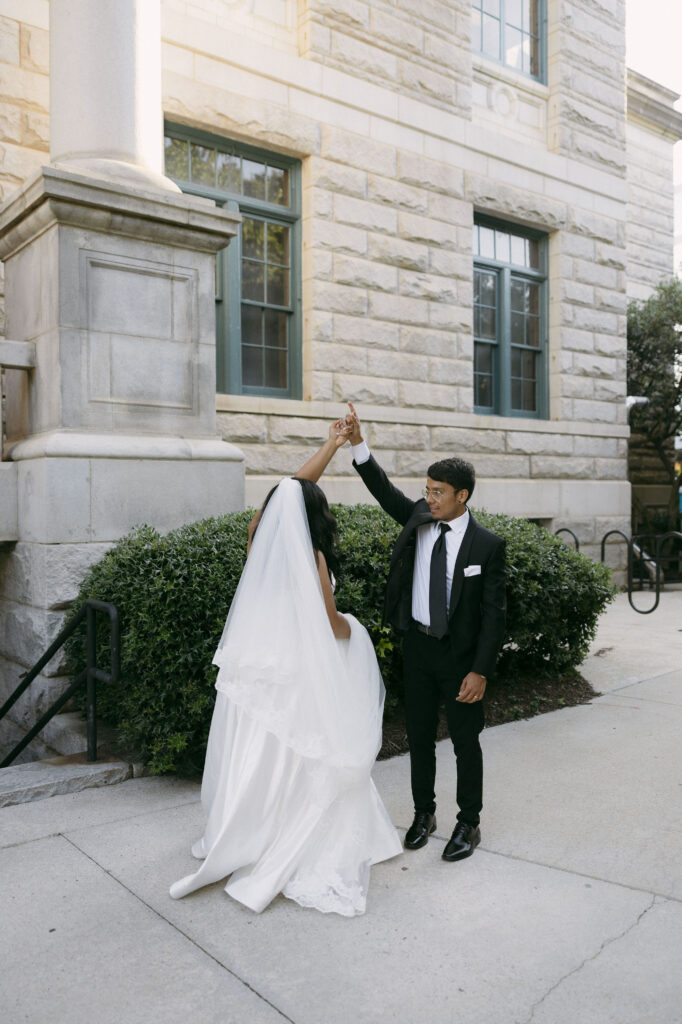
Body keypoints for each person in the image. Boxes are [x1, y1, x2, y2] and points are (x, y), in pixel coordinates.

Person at [170, 422, 401, 916]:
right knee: (302, 752)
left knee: (257, 749)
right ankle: (279, 834)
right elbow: (328, 623)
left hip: (259, 666)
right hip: (297, 669)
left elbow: (292, 490)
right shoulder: (312, 556)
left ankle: (245, 828)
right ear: (316, 514)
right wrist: (356, 631)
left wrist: (333, 445)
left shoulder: (261, 535)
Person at [343, 403, 506, 862]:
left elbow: (495, 616)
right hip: (417, 648)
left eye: (439, 492)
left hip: (459, 658)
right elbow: (381, 489)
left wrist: (480, 670)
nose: (430, 498)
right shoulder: (417, 519)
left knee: (465, 742)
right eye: (427, 490)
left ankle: (468, 822)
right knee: (418, 738)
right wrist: (358, 441)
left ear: (463, 495)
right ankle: (423, 813)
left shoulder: (487, 546)